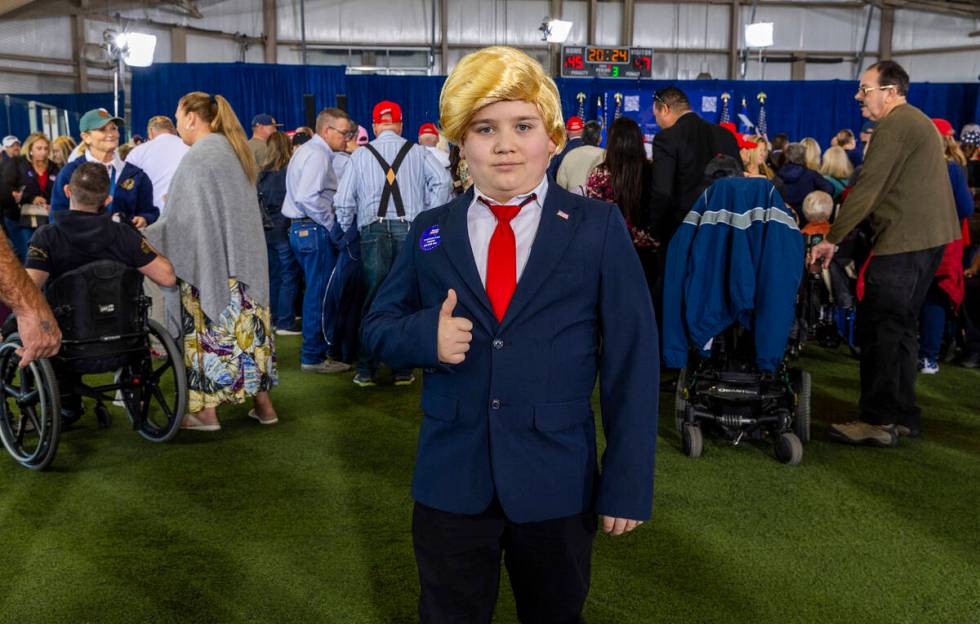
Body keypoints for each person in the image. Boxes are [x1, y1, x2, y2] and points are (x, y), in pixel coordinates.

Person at [360, 45, 658, 624]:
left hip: (556, 483)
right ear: (459, 142)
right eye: (484, 128)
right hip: (451, 481)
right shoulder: (430, 232)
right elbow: (374, 327)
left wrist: (626, 480)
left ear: (551, 137)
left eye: (522, 126)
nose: (505, 144)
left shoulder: (596, 228)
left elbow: (632, 357)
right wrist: (427, 337)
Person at [810, 60, 961, 446]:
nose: (859, 97)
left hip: (904, 243)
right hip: (924, 241)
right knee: (901, 330)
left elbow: (868, 189)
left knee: (880, 329)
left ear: (890, 91)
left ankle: (877, 421)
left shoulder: (894, 125)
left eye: (866, 89)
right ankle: (902, 413)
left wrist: (832, 238)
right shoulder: (917, 122)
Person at [145, 91, 279, 431]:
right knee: (252, 335)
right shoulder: (235, 150)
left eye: (178, 117)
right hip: (245, 264)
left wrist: (145, 236)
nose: (177, 124)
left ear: (192, 117)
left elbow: (181, 223)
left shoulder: (199, 157)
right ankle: (264, 407)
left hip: (214, 267)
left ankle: (207, 414)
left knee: (209, 337)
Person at [22, 163, 177, 421]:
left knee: (16, 321)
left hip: (65, 344)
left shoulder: (47, 237)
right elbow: (167, 277)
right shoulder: (124, 235)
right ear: (107, 199)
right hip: (124, 339)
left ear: (67, 190)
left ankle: (67, 404)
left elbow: (30, 288)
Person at [335, 99, 452, 387]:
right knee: (406, 299)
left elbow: (343, 200)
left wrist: (347, 224)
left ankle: (366, 368)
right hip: (408, 229)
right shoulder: (417, 152)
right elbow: (444, 183)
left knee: (373, 299)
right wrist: (426, 218)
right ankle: (403, 368)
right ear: (400, 124)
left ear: (375, 126)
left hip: (372, 231)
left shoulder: (360, 155)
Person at [281, 107, 354, 373]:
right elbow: (307, 197)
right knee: (320, 295)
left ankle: (315, 352)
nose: (346, 138)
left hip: (302, 228)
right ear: (327, 130)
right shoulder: (319, 155)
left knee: (315, 292)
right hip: (313, 228)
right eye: (344, 133)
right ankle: (313, 356)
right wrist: (332, 224)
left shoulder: (310, 152)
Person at [916, 118, 974, 375]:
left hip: (909, 240)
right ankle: (927, 355)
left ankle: (911, 353)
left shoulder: (911, 165)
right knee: (934, 298)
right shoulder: (950, 169)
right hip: (942, 241)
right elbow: (965, 208)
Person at [649, 86, 741, 244]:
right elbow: (739, 183)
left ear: (664, 109)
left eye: (656, 116)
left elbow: (662, 191)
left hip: (682, 231)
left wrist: (655, 228)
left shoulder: (666, 138)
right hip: (724, 231)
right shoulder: (725, 136)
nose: (657, 122)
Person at [50, 108, 158, 229]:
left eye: (113, 128)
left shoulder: (136, 175)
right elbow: (56, 216)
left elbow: (150, 211)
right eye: (102, 129)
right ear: (86, 137)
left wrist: (144, 218)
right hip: (82, 245)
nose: (111, 134)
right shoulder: (70, 172)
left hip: (122, 245)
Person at [585, 117, 657, 290]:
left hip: (611, 250)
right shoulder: (652, 171)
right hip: (647, 250)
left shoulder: (599, 174)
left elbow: (594, 215)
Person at [257, 131, 302, 335]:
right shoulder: (287, 172)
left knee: (274, 275)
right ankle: (285, 321)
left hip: (266, 230)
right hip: (283, 229)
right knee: (288, 275)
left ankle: (275, 318)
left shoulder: (261, 173)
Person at [0, 229, 61, 367]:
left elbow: (33, 282)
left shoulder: (48, 234)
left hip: (62, 323)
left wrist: (29, 310)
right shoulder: (120, 231)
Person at [4, 133, 59, 261]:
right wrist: (30, 198)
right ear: (30, 149)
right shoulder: (17, 163)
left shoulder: (53, 167)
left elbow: (59, 190)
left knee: (47, 256)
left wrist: (52, 204)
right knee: (30, 256)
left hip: (45, 218)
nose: (43, 152)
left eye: (46, 148)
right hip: (20, 218)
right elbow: (6, 189)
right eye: (39, 148)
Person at [123, 115, 190, 214]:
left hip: (148, 218)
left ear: (150, 132)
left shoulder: (138, 152)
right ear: (174, 130)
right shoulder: (191, 148)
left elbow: (125, 187)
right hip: (184, 214)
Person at [776, 143, 835, 221]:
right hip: (806, 218)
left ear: (786, 156)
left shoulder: (777, 175)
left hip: (783, 218)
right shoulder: (811, 175)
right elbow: (830, 189)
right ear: (804, 157)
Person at [557, 120, 604, 193]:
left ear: (582, 136)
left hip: (574, 202)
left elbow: (560, 186)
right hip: (601, 202)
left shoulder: (569, 155)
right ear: (600, 139)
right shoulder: (606, 156)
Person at [546, 115, 585, 181]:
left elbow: (550, 173)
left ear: (566, 131)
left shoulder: (560, 150)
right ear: (582, 130)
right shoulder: (592, 149)